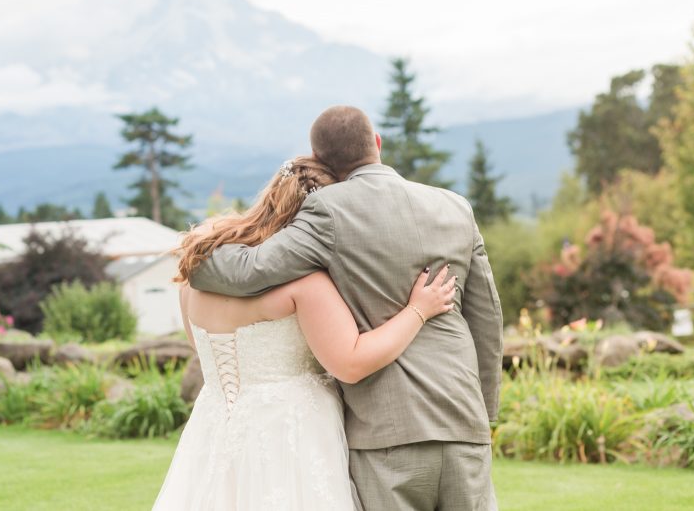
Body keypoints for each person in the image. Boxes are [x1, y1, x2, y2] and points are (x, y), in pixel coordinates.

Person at [188, 106, 503, 511]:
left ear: (320, 159)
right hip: (463, 419)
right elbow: (486, 319)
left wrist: (193, 255)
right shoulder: (455, 207)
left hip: (385, 430)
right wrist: (484, 412)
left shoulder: (328, 210)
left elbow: (252, 271)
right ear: (377, 143)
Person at [153, 155, 457, 510]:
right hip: (291, 433)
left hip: (213, 429)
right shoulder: (304, 284)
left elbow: (201, 350)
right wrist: (418, 310)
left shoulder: (196, 274)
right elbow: (351, 362)